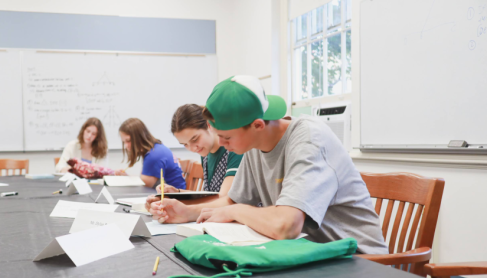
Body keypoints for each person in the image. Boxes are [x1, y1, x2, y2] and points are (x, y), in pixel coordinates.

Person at [148, 75, 388, 254]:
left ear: (258, 125)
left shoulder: (310, 140)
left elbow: (286, 226)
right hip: (306, 256)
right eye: (217, 134)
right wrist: (187, 213)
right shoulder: (253, 145)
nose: (220, 144)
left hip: (357, 264)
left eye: (227, 137)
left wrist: (234, 212)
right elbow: (233, 200)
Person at [160, 104, 243, 198]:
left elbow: (225, 198)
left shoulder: (234, 150)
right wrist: (178, 193)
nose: (192, 148)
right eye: (185, 144)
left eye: (195, 139)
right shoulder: (205, 154)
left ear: (209, 125)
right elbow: (210, 196)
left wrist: (184, 206)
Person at [119, 118, 186, 189]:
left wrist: (126, 179)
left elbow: (144, 186)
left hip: (175, 197)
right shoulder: (155, 148)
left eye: (128, 140)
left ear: (139, 137)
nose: (126, 146)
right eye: (124, 142)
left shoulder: (153, 155)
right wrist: (126, 177)